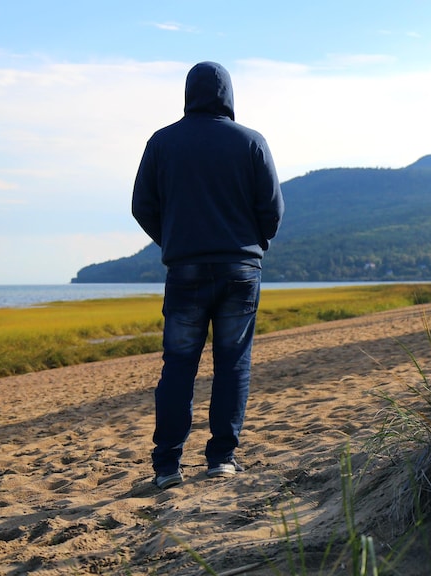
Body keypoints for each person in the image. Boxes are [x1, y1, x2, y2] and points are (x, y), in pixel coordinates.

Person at [132, 61, 285, 489]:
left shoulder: (162, 143)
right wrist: (254, 248)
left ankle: (167, 468)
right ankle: (221, 459)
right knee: (232, 363)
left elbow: (142, 206)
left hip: (185, 270)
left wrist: (174, 241)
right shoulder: (251, 141)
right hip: (241, 269)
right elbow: (272, 209)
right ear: (229, 95)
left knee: (178, 366)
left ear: (188, 93)